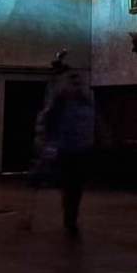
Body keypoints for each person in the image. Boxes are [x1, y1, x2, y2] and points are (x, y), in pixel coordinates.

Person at [43, 69, 94, 236]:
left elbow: (92, 122)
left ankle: (72, 217)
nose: (77, 87)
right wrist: (50, 145)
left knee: (76, 188)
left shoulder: (86, 103)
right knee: (69, 186)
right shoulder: (60, 104)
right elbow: (49, 124)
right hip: (65, 150)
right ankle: (70, 218)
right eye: (74, 83)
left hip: (82, 150)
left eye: (78, 84)